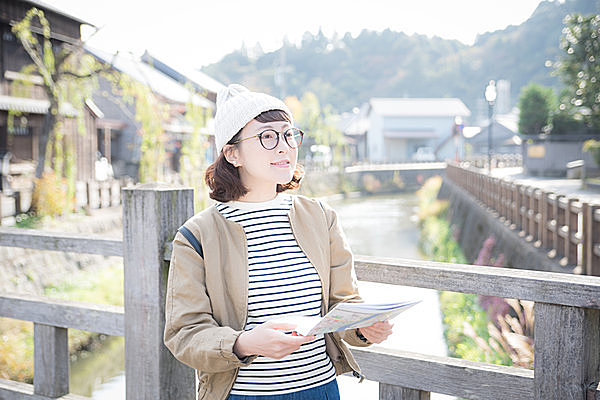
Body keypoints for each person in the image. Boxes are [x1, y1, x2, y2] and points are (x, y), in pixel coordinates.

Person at [164, 84, 393, 400]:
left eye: (289, 135)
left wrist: (363, 328)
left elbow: (343, 303)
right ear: (232, 153)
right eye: (267, 137)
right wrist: (245, 343)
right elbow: (184, 334)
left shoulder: (320, 217)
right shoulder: (197, 236)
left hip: (320, 390)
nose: (284, 147)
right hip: (243, 395)